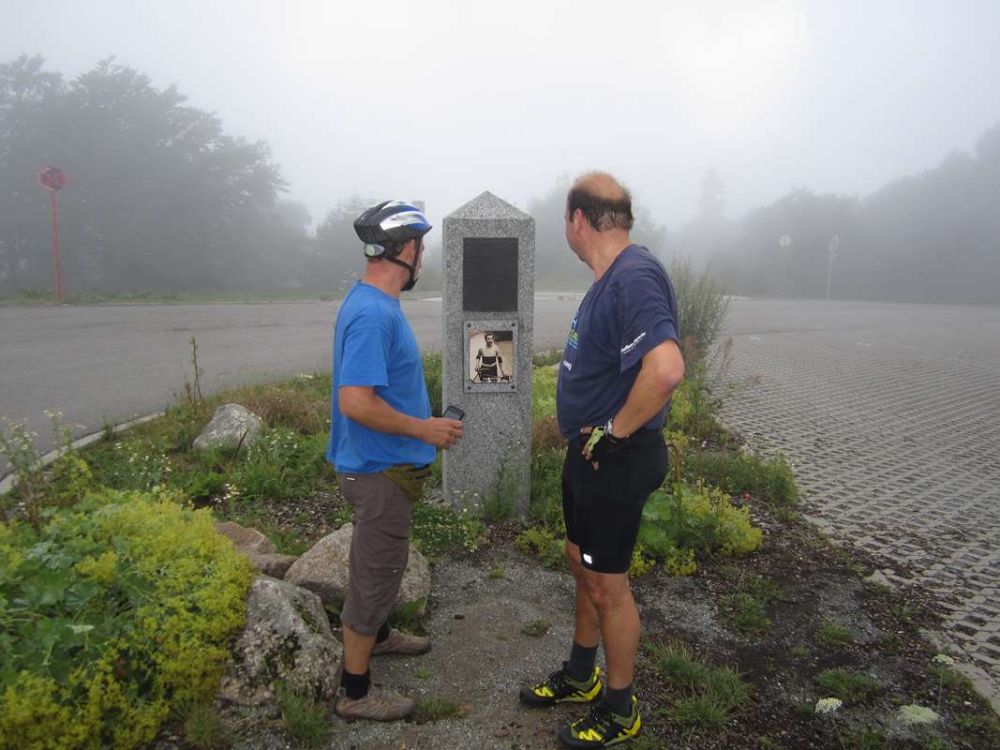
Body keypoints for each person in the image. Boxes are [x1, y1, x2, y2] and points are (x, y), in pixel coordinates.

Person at [519, 173, 685, 748]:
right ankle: (580, 674)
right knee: (581, 562)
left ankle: (620, 709)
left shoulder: (633, 276)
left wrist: (614, 433)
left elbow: (666, 368)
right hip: (590, 455)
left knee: (607, 584)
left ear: (577, 219)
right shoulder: (610, 278)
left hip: (615, 456)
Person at [328, 200, 464, 721]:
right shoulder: (372, 314)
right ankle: (356, 693)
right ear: (406, 249)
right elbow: (356, 402)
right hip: (378, 470)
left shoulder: (373, 302)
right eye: (421, 247)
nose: (423, 257)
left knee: (383, 563)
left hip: (381, 465)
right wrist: (424, 428)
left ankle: (380, 635)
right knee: (376, 573)